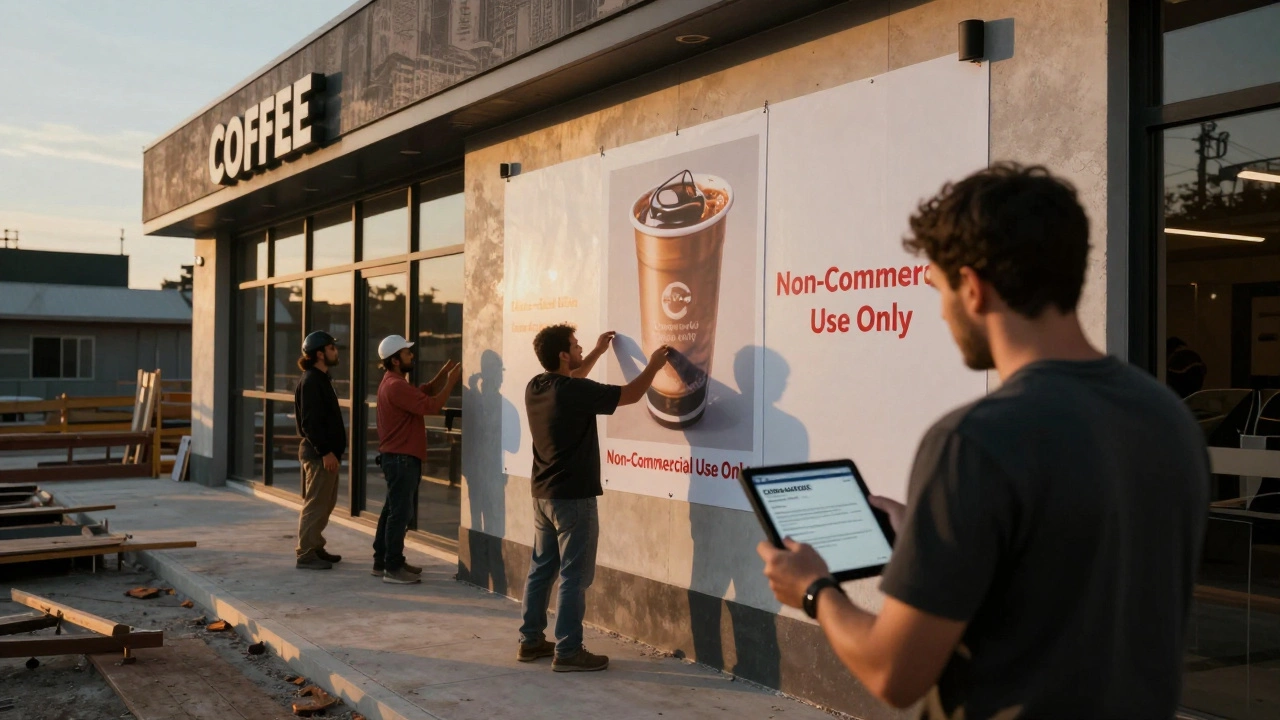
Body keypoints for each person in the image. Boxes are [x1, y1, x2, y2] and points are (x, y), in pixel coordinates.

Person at [758, 163, 1210, 719]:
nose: (942, 312)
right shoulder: (1168, 415)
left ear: (973, 288)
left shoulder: (973, 442)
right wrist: (931, 538)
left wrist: (813, 589)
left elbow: (893, 673)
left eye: (938, 288)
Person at [517, 326, 669, 672]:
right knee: (574, 576)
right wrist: (654, 365)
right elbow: (630, 394)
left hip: (543, 495)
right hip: (574, 497)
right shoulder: (573, 391)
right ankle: (568, 651)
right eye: (576, 346)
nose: (581, 348)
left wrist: (598, 353)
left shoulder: (536, 386)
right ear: (563, 355)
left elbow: (573, 379)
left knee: (542, 569)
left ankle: (530, 641)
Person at [374, 334, 461, 584]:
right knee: (399, 514)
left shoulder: (392, 382)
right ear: (395, 360)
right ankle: (392, 567)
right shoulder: (396, 386)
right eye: (407, 353)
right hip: (401, 459)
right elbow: (431, 406)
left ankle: (383, 561)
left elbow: (422, 394)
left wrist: (441, 376)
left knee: (392, 511)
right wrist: (451, 382)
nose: (411, 356)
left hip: (397, 458)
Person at [294, 331, 347, 571]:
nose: (336, 351)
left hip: (326, 454)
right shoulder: (311, 381)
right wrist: (325, 452)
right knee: (316, 504)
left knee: (326, 504)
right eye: (331, 348)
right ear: (319, 354)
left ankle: (315, 545)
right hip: (318, 456)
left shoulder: (322, 379)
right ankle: (306, 553)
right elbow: (310, 424)